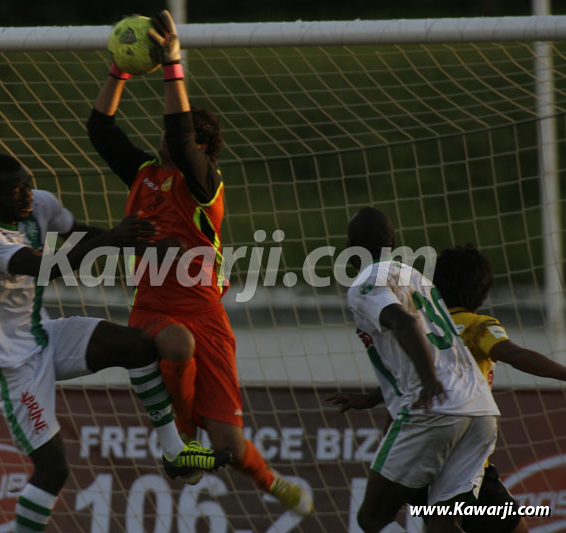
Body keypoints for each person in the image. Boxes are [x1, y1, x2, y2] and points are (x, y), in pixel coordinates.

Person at [86, 9, 312, 516]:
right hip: (153, 308)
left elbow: (182, 137)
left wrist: (172, 65)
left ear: (204, 148)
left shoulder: (204, 185)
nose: (162, 137)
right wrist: (119, 70)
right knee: (174, 342)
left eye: (178, 136)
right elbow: (101, 131)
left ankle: (270, 479)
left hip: (208, 316)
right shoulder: (144, 172)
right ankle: (183, 436)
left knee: (229, 448)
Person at [0, 153, 232, 532]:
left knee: (136, 345)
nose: (26, 195)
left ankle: (176, 453)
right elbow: (44, 267)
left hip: (44, 334)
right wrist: (113, 238)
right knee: (53, 470)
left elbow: (78, 233)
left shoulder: (40, 202)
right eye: (15, 190)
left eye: (27, 182)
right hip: (9, 361)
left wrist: (141, 248)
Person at [329, 243, 566, 533]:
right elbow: (515, 355)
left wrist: (371, 401)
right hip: (465, 445)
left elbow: (408, 385)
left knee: (432, 524)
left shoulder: (423, 326)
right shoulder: (476, 326)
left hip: (424, 443)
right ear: (483, 291)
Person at [339, 207, 500, 533]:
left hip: (434, 408)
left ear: (351, 248)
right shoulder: (418, 278)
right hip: (480, 409)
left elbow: (404, 321)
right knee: (439, 519)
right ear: (393, 241)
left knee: (370, 518)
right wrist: (372, 398)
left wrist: (428, 380)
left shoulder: (364, 285)